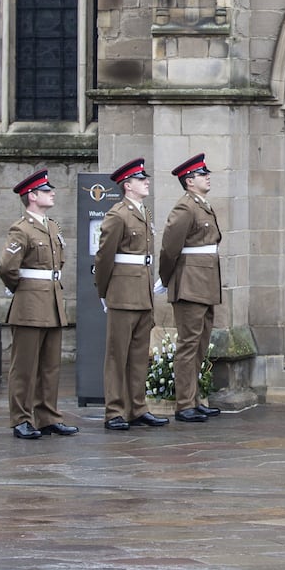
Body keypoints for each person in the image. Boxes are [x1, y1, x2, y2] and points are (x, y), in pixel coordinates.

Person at [0, 170, 78, 439]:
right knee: (24, 367)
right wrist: (21, 292)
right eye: (46, 191)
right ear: (32, 196)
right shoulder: (21, 229)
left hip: (52, 302)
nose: (52, 193)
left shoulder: (52, 226)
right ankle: (21, 418)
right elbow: (8, 268)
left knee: (49, 365)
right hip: (30, 304)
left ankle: (47, 416)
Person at [94, 158, 168, 432]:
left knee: (138, 355)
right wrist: (103, 290)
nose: (146, 181)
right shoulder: (118, 215)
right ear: (128, 185)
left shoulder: (143, 213)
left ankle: (137, 408)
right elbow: (104, 258)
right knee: (117, 355)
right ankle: (114, 410)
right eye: (140, 179)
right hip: (123, 294)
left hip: (141, 293)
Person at [160, 153, 225, 423]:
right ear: (189, 181)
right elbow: (169, 248)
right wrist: (167, 280)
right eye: (201, 174)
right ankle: (184, 404)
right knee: (188, 345)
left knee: (200, 344)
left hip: (205, 282)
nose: (207, 176)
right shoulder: (185, 208)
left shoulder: (202, 205)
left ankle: (195, 399)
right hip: (189, 283)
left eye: (206, 173)